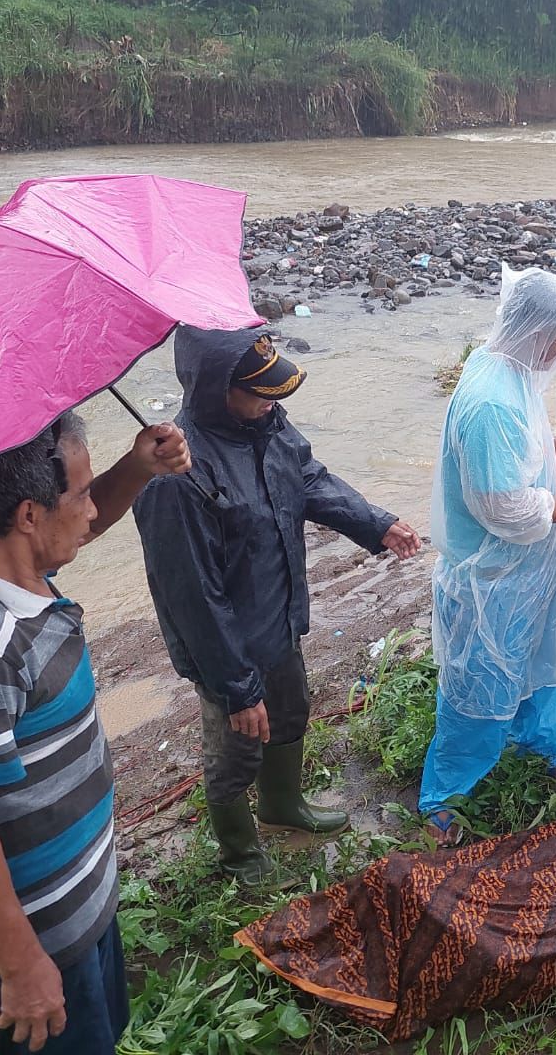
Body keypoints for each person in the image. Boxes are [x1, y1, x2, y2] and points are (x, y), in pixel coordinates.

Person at [0, 411, 192, 1055]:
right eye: (84, 493)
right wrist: (21, 966)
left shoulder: (2, 564)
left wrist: (138, 467)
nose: (93, 512)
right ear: (29, 514)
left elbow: (72, 530)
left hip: (75, 907)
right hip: (39, 938)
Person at [133, 327, 420, 885]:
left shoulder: (265, 425)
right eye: (258, 391)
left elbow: (308, 477)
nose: (272, 402)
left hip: (278, 617)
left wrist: (375, 522)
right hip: (225, 645)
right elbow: (193, 598)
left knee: (291, 711)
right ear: (216, 388)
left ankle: (283, 806)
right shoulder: (175, 479)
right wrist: (237, 686)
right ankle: (241, 856)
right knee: (237, 745)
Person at [420, 267, 556, 844]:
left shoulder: (506, 368)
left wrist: (551, 444)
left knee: (546, 658)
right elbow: (505, 510)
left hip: (529, 569)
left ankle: (543, 746)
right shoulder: (491, 401)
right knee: (480, 680)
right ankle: (447, 794)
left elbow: (512, 455)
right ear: (541, 331)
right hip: (493, 575)